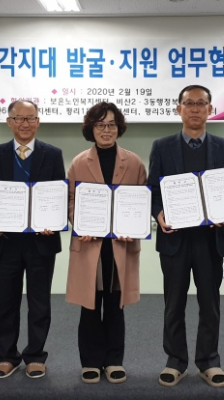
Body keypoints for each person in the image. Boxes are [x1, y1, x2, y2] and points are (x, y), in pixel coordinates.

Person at [148, 85, 224, 387]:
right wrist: (158, 213)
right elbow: (153, 190)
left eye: (201, 104)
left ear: (210, 109)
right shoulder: (161, 146)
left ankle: (209, 361)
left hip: (211, 240)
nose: (195, 109)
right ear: (179, 109)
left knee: (210, 304)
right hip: (175, 240)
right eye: (189, 103)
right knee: (173, 304)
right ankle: (175, 361)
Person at [0, 100, 65, 379]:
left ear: (38, 122)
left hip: (41, 242)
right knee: (7, 302)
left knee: (39, 302)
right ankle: (6, 356)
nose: (25, 124)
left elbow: (58, 194)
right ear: (9, 122)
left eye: (30, 118)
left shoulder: (53, 154)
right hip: (6, 241)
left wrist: (54, 221)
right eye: (19, 118)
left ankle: (35, 356)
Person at [66, 102, 147, 384]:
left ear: (119, 128)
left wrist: (132, 226)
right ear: (91, 129)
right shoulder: (79, 163)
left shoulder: (134, 162)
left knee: (115, 304)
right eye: (100, 125)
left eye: (111, 124)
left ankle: (113, 360)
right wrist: (81, 223)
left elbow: (141, 200)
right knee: (89, 305)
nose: (106, 130)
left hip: (121, 245)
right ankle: (90, 361)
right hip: (90, 244)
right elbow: (71, 200)